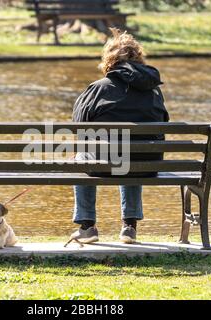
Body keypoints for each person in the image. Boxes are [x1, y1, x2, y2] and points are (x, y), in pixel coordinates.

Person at [70, 28, 169, 244]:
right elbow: (163, 124)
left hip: (105, 163)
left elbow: (78, 127)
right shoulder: (153, 91)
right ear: (139, 58)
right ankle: (129, 228)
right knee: (134, 153)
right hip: (147, 165)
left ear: (109, 60)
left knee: (83, 157)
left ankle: (87, 226)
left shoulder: (98, 89)